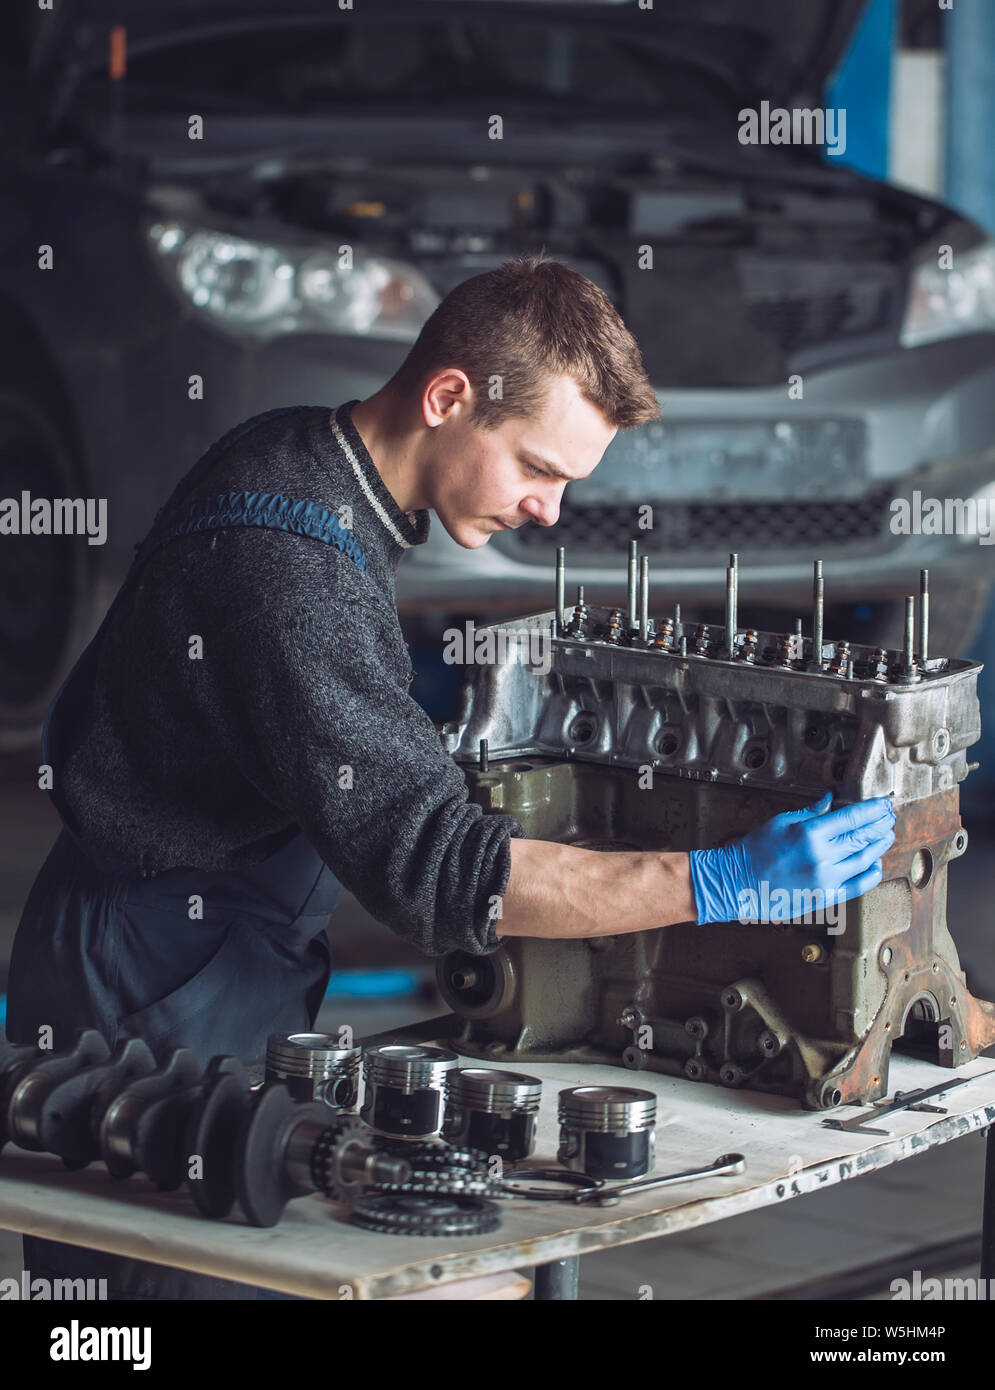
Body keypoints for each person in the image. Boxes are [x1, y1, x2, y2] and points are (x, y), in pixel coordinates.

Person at [5, 252, 894, 1299]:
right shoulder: (290, 563)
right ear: (447, 397)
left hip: (207, 949)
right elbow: (440, 876)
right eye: (538, 468)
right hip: (149, 977)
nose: (549, 509)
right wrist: (720, 881)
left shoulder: (302, 453)